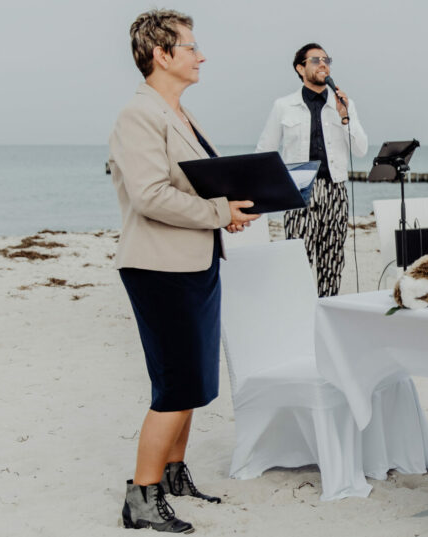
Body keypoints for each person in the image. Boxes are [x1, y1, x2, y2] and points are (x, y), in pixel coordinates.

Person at [109, 9, 258, 533]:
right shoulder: (139, 114)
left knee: (194, 379)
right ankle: (141, 498)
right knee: (175, 383)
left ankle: (173, 474)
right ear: (161, 54)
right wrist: (220, 212)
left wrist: (233, 208)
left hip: (195, 259)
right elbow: (150, 197)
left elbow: (193, 184)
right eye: (191, 47)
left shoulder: (179, 112)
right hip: (159, 267)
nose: (201, 55)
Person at [256, 43, 368, 297]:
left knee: (332, 261)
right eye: (316, 60)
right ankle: (298, 317)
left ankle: (327, 317)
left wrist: (345, 115)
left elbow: (360, 149)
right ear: (300, 67)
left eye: (326, 59)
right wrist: (260, 194)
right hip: (298, 191)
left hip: (335, 189)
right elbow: (265, 150)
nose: (323, 64)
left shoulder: (344, 105)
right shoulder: (284, 106)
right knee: (298, 261)